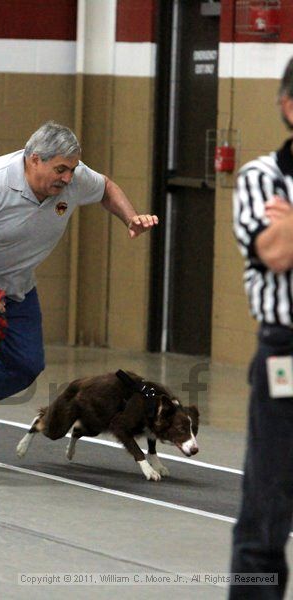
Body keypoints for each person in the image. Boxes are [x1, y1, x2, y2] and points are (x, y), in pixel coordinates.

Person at [0, 120, 159, 470]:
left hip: (16, 284)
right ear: (34, 160)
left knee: (27, 363)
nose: (67, 178)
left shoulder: (73, 180)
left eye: (72, 169)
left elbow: (106, 187)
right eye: (60, 169)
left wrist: (130, 218)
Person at [230, 57, 293, 599]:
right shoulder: (262, 177)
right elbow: (275, 252)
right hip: (286, 352)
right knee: (269, 501)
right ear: (289, 107)